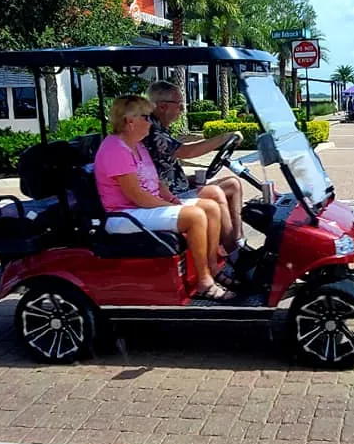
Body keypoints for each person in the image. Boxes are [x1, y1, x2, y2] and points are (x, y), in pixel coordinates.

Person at [94, 95, 232, 300]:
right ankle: (204, 282)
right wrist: (169, 205)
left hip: (144, 207)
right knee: (195, 216)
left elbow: (156, 181)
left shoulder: (136, 145)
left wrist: (172, 199)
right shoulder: (115, 149)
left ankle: (213, 267)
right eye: (145, 117)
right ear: (130, 121)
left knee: (211, 207)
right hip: (124, 214)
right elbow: (138, 197)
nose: (150, 122)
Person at [145, 81, 245, 262]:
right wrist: (224, 137)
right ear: (162, 106)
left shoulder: (160, 128)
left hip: (176, 188)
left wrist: (186, 178)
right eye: (180, 104)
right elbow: (186, 152)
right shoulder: (151, 131)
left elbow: (165, 163)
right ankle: (234, 256)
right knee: (216, 194)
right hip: (167, 196)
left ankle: (238, 243)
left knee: (232, 183)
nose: (182, 109)